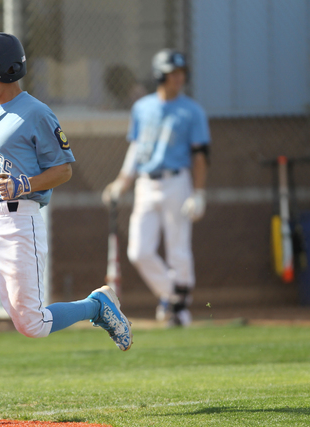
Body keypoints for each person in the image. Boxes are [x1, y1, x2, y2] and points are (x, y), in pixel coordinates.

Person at [0, 32, 132, 425]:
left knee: (32, 325)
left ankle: (97, 306)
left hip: (18, 224)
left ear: (9, 68)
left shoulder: (36, 112)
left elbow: (63, 169)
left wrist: (26, 184)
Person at [102, 49, 210, 327]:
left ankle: (178, 312)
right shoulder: (142, 108)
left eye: (182, 74)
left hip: (177, 181)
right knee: (138, 251)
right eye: (173, 74)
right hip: (146, 184)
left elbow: (200, 155)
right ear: (160, 75)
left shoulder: (192, 110)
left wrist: (199, 192)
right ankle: (175, 297)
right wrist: (122, 181)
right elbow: (137, 148)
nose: (179, 79)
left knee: (178, 249)